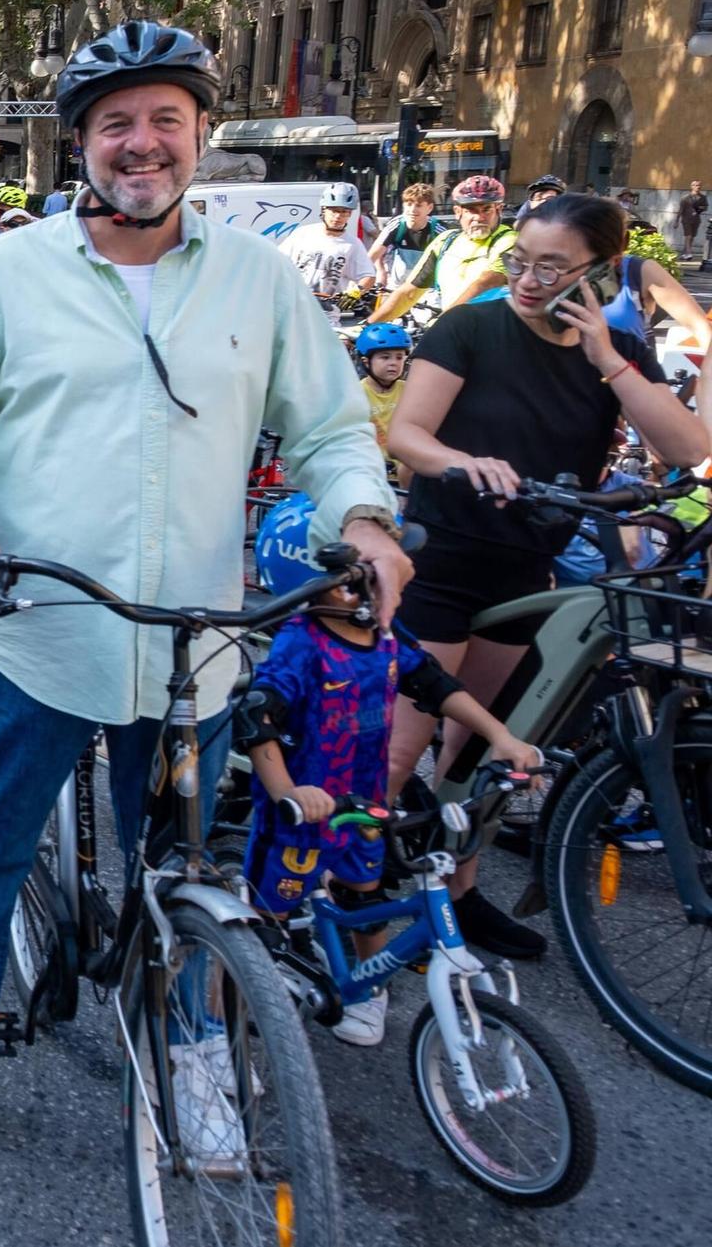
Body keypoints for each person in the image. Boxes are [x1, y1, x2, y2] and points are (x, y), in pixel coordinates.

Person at [0, 20, 404, 1167]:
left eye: (165, 117)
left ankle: (192, 1049)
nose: (141, 142)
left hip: (194, 649)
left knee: (187, 868)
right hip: (42, 629)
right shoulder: (7, 272)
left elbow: (326, 430)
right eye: (115, 122)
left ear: (200, 134)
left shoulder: (258, 279)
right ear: (81, 144)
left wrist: (362, 519)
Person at [384, 192, 711, 959]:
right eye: (519, 262)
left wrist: (608, 360)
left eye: (552, 268)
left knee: (479, 753)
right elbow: (407, 435)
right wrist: (465, 463)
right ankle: (346, 900)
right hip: (442, 558)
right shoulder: (470, 327)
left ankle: (458, 895)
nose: (528, 281)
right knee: (397, 755)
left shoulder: (611, 350)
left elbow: (689, 449)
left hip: (527, 568)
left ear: (600, 271)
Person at [234, 579, 539, 1045]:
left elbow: (434, 684)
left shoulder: (386, 632)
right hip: (304, 813)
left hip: (366, 802)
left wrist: (501, 736)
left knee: (365, 895)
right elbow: (258, 715)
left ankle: (367, 990)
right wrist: (287, 792)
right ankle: (223, 1014)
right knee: (264, 918)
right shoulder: (302, 641)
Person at [369, 176, 515, 324]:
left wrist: (441, 325)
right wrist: (368, 325)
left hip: (493, 332)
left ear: (499, 210)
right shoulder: (446, 241)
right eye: (471, 210)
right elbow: (409, 292)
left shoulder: (511, 241)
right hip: (454, 330)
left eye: (487, 209)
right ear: (458, 212)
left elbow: (487, 283)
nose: (479, 217)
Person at [278, 181, 377, 312]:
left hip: (326, 314)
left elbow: (368, 276)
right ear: (323, 210)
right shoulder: (302, 234)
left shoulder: (353, 244)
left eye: (344, 212)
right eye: (334, 210)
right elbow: (277, 262)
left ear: (350, 214)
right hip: (294, 308)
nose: (338, 216)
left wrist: (355, 292)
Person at [352, 321, 410, 474]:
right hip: (371, 472)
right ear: (366, 362)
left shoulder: (410, 390)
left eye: (399, 357)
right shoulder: (356, 394)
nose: (393, 363)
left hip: (407, 471)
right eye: (385, 357)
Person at [366, 181, 446, 293]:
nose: (412, 210)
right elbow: (372, 255)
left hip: (426, 290)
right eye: (409, 204)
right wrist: (380, 272)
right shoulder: (396, 225)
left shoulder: (439, 231)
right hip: (397, 287)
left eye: (418, 205)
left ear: (430, 208)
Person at [682, 179, 707, 259]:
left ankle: (685, 252)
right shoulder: (686, 197)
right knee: (688, 236)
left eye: (699, 185)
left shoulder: (703, 197)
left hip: (696, 219)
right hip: (686, 219)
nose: (697, 187)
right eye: (695, 185)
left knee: (692, 237)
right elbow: (681, 210)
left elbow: (705, 207)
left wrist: (699, 209)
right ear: (691, 186)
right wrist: (676, 220)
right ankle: (689, 253)